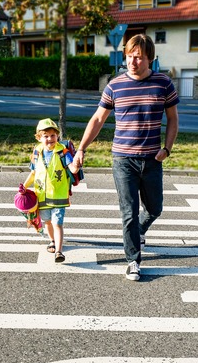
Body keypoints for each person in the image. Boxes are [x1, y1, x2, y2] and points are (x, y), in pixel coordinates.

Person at [74, 34, 179, 281]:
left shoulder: (164, 84)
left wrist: (167, 149)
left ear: (150, 59)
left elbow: (173, 119)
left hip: (153, 159)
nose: (133, 61)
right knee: (129, 212)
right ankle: (133, 260)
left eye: (139, 57)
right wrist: (81, 149)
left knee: (155, 208)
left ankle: (139, 231)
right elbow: (98, 120)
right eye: (130, 56)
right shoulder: (115, 85)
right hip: (123, 160)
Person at [23, 118, 80, 263]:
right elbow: (34, 172)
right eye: (46, 136)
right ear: (39, 138)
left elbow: (71, 168)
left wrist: (76, 166)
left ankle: (59, 251)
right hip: (42, 196)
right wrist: (24, 186)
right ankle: (52, 241)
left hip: (58, 196)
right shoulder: (37, 152)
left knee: (57, 223)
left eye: (53, 135)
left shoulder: (62, 152)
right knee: (47, 222)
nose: (50, 139)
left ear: (57, 136)